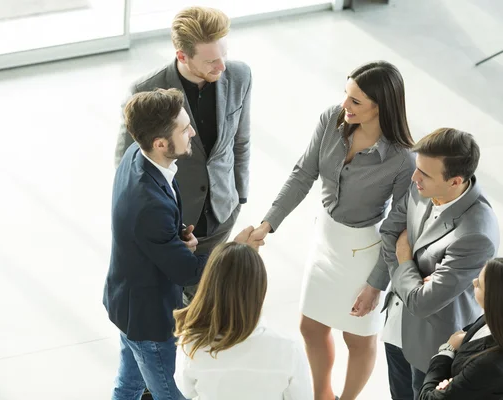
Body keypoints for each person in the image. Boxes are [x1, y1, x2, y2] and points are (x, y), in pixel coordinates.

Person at [251, 61, 415, 400]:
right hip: (325, 241)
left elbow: (401, 227)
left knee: (358, 338)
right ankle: (322, 395)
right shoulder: (331, 120)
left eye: (356, 101)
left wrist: (375, 284)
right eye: (346, 95)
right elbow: (302, 174)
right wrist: (268, 223)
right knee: (310, 327)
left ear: (381, 106)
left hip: (365, 252)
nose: (345, 106)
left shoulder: (401, 159)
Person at [103, 89, 261, 400]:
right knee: (169, 393)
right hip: (148, 318)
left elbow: (156, 231)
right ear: (160, 143)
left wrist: (175, 238)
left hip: (128, 303)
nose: (192, 132)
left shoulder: (139, 152)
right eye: (184, 128)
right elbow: (189, 272)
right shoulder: (148, 205)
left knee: (129, 385)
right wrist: (237, 251)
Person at [114, 6, 252, 303]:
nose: (222, 67)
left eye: (223, 55)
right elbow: (126, 159)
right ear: (182, 56)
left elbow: (241, 141)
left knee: (211, 295)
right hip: (174, 222)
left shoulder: (240, 75)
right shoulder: (145, 90)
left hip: (221, 212)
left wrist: (240, 195)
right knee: (172, 303)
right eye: (212, 61)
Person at [367, 128, 500, 400]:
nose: (414, 177)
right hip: (396, 325)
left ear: (455, 181)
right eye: (418, 169)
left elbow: (423, 303)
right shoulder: (420, 187)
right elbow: (390, 232)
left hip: (431, 344)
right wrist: (414, 279)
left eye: (425, 174)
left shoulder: (476, 233)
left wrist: (405, 258)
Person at [174, 242, 313, 400]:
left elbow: (187, 391)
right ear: (260, 288)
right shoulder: (288, 348)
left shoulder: (191, 343)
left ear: (209, 285)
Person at [418, 258, 503, 399]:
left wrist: (447, 350)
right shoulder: (491, 318)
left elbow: (427, 398)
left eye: (479, 285)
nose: (473, 282)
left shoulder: (489, 364)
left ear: (494, 299)